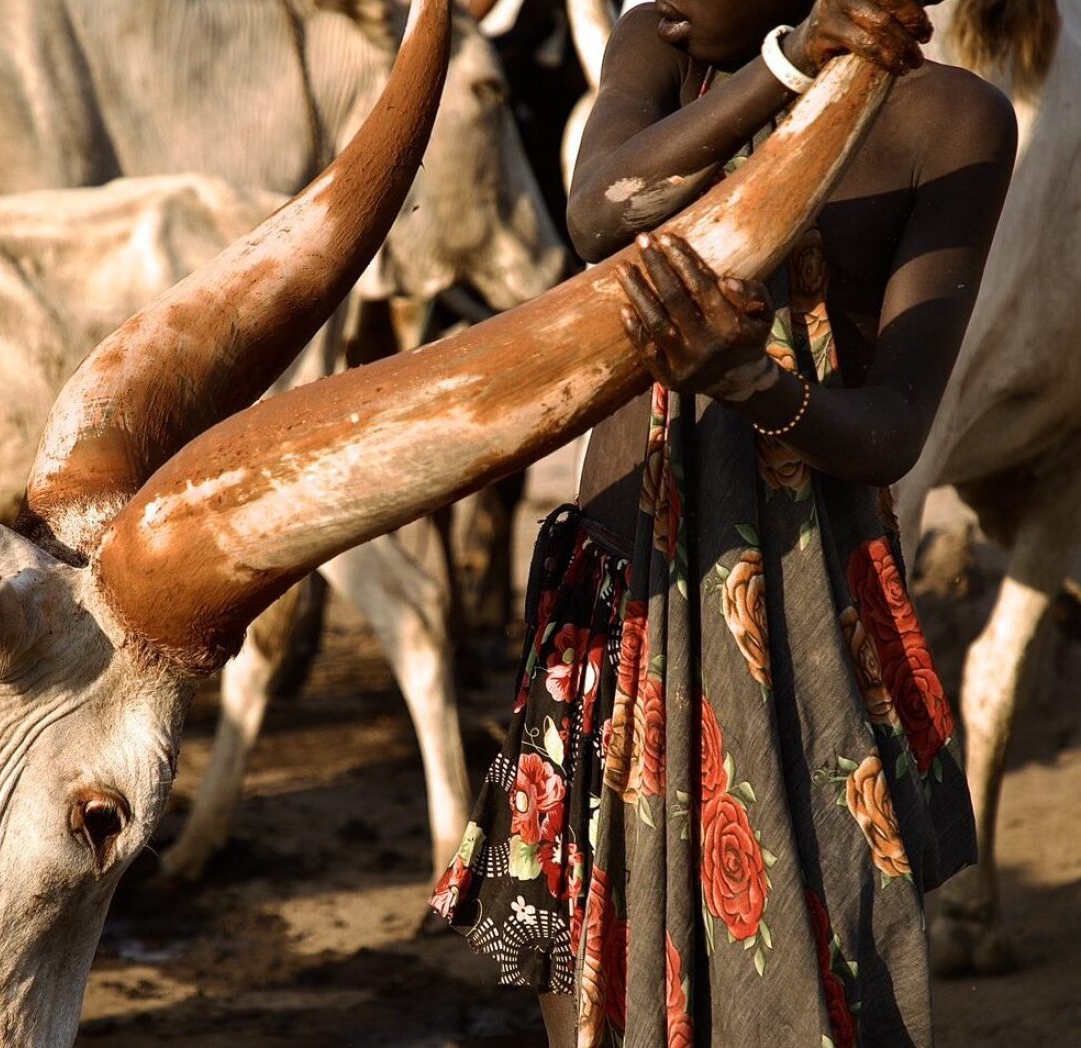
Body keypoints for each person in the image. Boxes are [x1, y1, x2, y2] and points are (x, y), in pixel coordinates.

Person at [429, 0, 1017, 1043]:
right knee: (587, 973)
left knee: (821, 964)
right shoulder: (661, 47)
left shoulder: (952, 120)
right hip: (626, 600)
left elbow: (892, 430)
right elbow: (602, 212)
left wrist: (747, 382)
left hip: (803, 624)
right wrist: (788, 66)